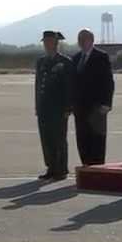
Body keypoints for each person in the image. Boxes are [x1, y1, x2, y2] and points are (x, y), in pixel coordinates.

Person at [35, 30, 75, 181]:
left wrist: (68, 107)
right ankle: (51, 167)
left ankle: (61, 169)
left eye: (50, 42)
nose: (47, 45)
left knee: (59, 138)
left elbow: (69, 87)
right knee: (46, 139)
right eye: (45, 42)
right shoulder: (41, 62)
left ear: (56, 43)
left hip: (58, 108)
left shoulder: (65, 62)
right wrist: (37, 106)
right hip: (44, 107)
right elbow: (38, 85)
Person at [72, 29, 115, 166]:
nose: (82, 42)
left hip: (97, 107)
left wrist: (107, 103)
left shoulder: (101, 56)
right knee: (82, 139)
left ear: (91, 40)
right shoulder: (76, 58)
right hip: (80, 107)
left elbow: (108, 81)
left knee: (97, 139)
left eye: (84, 39)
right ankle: (86, 167)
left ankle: (97, 169)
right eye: (80, 39)